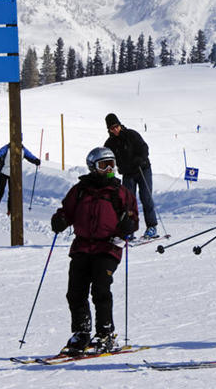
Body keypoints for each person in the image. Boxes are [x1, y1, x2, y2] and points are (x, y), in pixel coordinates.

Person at [51, 147, 139, 355]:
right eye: (103, 165)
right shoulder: (80, 190)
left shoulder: (120, 193)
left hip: (108, 247)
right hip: (82, 246)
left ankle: (105, 333)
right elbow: (67, 211)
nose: (109, 169)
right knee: (75, 291)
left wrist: (128, 225)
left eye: (111, 165)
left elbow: (133, 218)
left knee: (101, 289)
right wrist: (60, 220)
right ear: (92, 167)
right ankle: (81, 332)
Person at [103, 113, 158, 239]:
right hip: (128, 174)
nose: (115, 130)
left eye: (116, 126)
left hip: (142, 169)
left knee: (146, 197)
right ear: (109, 130)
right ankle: (129, 229)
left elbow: (144, 148)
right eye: (112, 128)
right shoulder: (110, 144)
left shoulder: (131, 135)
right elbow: (108, 162)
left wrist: (141, 159)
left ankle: (152, 227)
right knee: (127, 202)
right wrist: (109, 177)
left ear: (120, 125)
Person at [0, 142, 41, 213]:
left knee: (13, 192)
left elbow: (30, 156)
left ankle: (10, 210)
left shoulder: (22, 149)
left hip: (14, 174)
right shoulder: (7, 148)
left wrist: (35, 160)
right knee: (0, 190)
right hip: (3, 172)